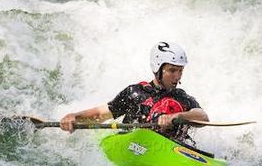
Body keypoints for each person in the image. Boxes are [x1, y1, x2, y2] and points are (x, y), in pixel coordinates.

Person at [60, 41, 209, 142]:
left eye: (180, 71)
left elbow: (203, 117)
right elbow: (100, 115)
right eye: (172, 70)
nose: (178, 76)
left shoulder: (181, 97)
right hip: (133, 146)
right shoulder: (135, 93)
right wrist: (74, 116)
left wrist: (177, 116)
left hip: (171, 151)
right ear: (158, 68)